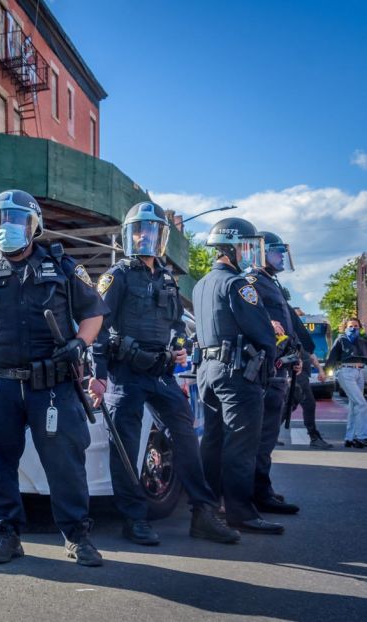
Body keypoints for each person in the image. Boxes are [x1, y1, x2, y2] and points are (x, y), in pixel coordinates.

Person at [0, 189, 108, 566]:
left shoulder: (61, 266)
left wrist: (80, 342)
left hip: (52, 384)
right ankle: (7, 534)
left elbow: (94, 311)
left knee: (64, 462)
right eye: (0, 221)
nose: (6, 228)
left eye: (15, 220)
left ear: (34, 226)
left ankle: (77, 536)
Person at [90, 202, 239, 546]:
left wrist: (181, 346)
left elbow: (176, 325)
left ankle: (203, 513)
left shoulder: (167, 278)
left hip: (161, 373)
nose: (144, 236)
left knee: (186, 438)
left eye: (151, 230)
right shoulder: (117, 276)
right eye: (138, 229)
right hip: (125, 374)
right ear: (129, 235)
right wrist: (97, 375)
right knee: (125, 449)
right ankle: (134, 519)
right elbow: (98, 326)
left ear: (160, 237)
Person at [193, 218, 283, 534]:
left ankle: (206, 509)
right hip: (237, 374)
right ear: (232, 249)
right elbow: (262, 332)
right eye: (246, 247)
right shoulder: (239, 284)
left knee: (213, 443)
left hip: (208, 370)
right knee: (241, 445)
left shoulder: (202, 283)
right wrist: (272, 360)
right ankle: (241, 513)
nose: (250, 255)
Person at [243, 232, 302, 515]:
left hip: (281, 364)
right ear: (261, 253)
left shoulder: (270, 282)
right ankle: (258, 493)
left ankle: (262, 488)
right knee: (262, 437)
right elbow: (254, 319)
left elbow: (287, 325)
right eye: (276, 252)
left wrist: (296, 354)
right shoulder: (252, 280)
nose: (280, 258)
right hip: (267, 370)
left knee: (267, 437)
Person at [291, 309, 333, 449]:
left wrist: (321, 370)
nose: (301, 319)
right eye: (298, 316)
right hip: (296, 375)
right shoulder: (289, 334)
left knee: (287, 407)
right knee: (309, 404)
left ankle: (268, 434)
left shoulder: (302, 336)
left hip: (303, 375)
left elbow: (311, 355)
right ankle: (314, 437)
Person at [326, 318, 367, 448]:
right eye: (350, 326)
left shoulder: (362, 342)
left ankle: (349, 438)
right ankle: (361, 437)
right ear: (345, 328)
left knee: (354, 405)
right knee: (361, 403)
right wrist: (326, 372)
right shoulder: (341, 340)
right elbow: (332, 356)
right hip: (346, 372)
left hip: (360, 372)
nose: (353, 328)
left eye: (356, 326)